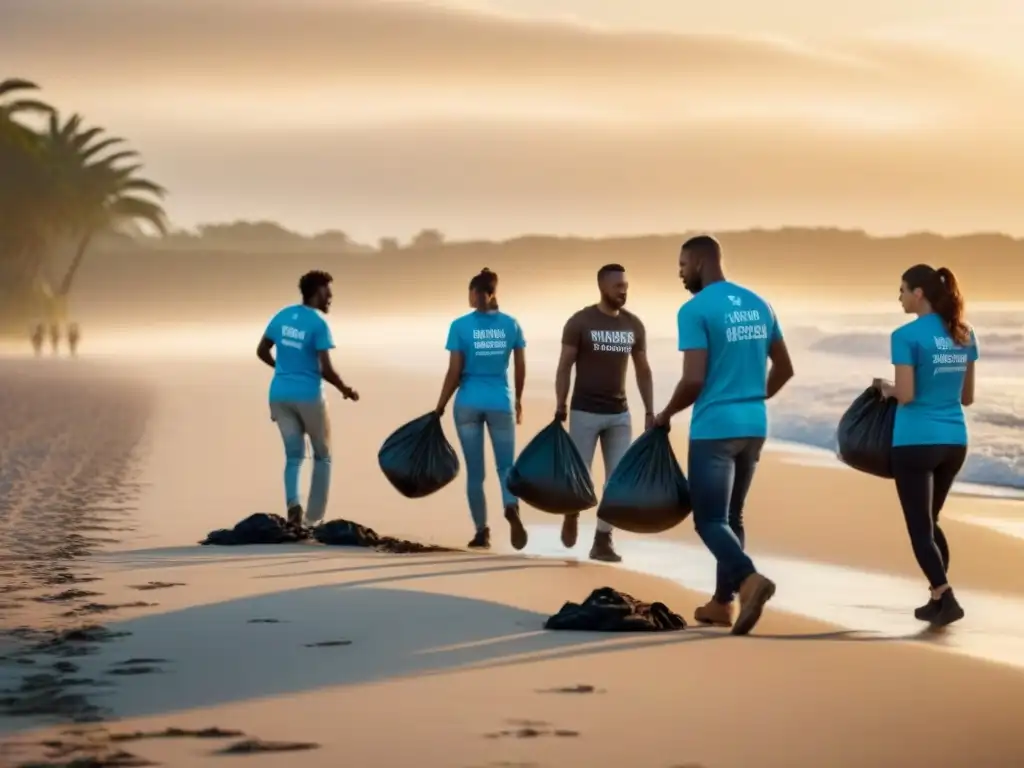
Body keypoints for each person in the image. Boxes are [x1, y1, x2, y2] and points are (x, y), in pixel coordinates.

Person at [653, 235, 794, 636]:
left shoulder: (694, 309)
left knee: (709, 519)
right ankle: (721, 604)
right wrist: (752, 395)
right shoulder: (759, 303)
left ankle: (749, 582)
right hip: (754, 425)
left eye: (682, 264)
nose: (680, 273)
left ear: (699, 261)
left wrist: (665, 415)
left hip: (715, 427)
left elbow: (693, 379)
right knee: (733, 516)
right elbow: (784, 368)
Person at [874, 265, 977, 627]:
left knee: (920, 528)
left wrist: (886, 388)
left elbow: (906, 395)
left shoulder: (905, 336)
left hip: (916, 443)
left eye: (901, 290)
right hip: (954, 442)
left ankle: (945, 597)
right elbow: (967, 397)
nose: (899, 297)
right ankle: (937, 597)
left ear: (919, 293)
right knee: (929, 523)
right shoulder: (964, 334)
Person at [555, 263, 654, 563]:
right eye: (617, 286)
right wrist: (560, 403)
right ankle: (572, 512)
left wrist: (650, 411)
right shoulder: (580, 322)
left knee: (617, 481)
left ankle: (602, 540)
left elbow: (643, 370)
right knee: (579, 476)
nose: (623, 290)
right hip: (584, 411)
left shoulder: (634, 325)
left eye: (625, 285)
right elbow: (564, 366)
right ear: (602, 287)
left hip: (619, 414)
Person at [435, 268, 528, 551]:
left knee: (476, 474)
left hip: (468, 404)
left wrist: (440, 406)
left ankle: (481, 532)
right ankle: (511, 505)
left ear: (478, 293)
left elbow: (454, 371)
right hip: (500, 401)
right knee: (506, 467)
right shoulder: (511, 325)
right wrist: (519, 400)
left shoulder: (460, 326)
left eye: (471, 291)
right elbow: (521, 367)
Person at [257, 270, 359, 527]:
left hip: (279, 394)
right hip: (309, 397)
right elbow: (325, 368)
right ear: (316, 292)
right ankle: (313, 520)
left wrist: (283, 370)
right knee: (322, 455)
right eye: (327, 291)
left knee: (293, 456)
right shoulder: (317, 324)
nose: (331, 296)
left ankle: (293, 506)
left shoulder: (282, 316)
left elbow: (261, 350)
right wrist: (345, 389)